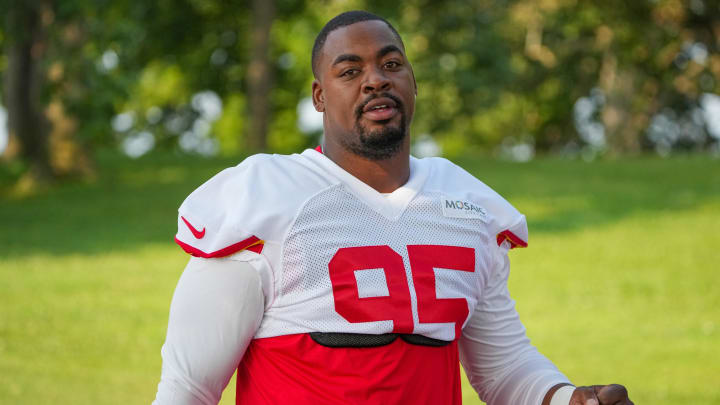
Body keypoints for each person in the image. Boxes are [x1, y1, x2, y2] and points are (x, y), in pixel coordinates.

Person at [153, 10, 633, 405]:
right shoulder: (265, 197)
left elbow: (504, 367)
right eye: (350, 71)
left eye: (391, 64)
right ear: (319, 97)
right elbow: (189, 387)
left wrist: (570, 398)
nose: (375, 81)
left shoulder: (464, 205)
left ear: (414, 82)